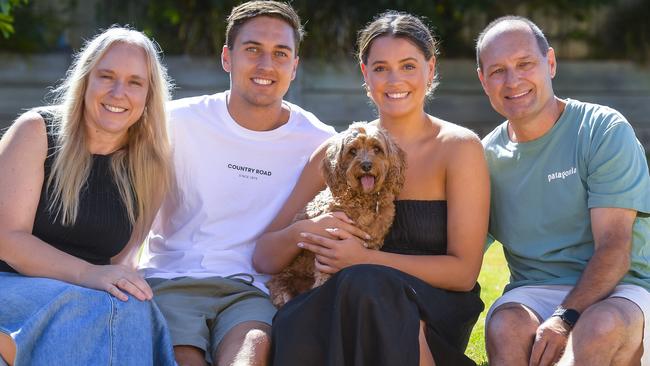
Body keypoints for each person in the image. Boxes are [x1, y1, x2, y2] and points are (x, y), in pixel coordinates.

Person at [254, 11, 489, 366]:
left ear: (431, 69)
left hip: (433, 306)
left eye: (408, 65)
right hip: (345, 300)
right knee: (299, 317)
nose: (395, 79)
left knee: (367, 284)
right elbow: (265, 256)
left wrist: (365, 259)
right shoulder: (337, 153)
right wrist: (307, 231)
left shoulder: (459, 147)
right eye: (380, 68)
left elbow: (463, 273)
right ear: (366, 75)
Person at [137, 1, 335, 365]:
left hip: (252, 290)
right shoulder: (175, 123)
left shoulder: (319, 142)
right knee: (182, 357)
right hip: (173, 279)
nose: (266, 65)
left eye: (280, 53)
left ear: (294, 66)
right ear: (227, 57)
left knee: (250, 354)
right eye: (252, 50)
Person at [477, 16, 650, 366]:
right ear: (483, 81)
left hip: (621, 289)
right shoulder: (482, 157)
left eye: (525, 64)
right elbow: (457, 248)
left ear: (550, 63)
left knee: (598, 328)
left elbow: (615, 248)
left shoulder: (602, 130)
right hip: (533, 291)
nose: (513, 81)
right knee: (505, 327)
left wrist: (564, 318)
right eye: (497, 71)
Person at [0, 27, 176, 365]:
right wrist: (87, 274)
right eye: (106, 76)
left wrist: (117, 281)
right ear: (86, 81)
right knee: (88, 308)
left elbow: (120, 260)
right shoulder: (36, 131)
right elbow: (7, 240)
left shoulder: (150, 165)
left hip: (82, 296)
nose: (118, 92)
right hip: (10, 285)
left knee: (133, 307)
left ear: (149, 95)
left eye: (135, 82)